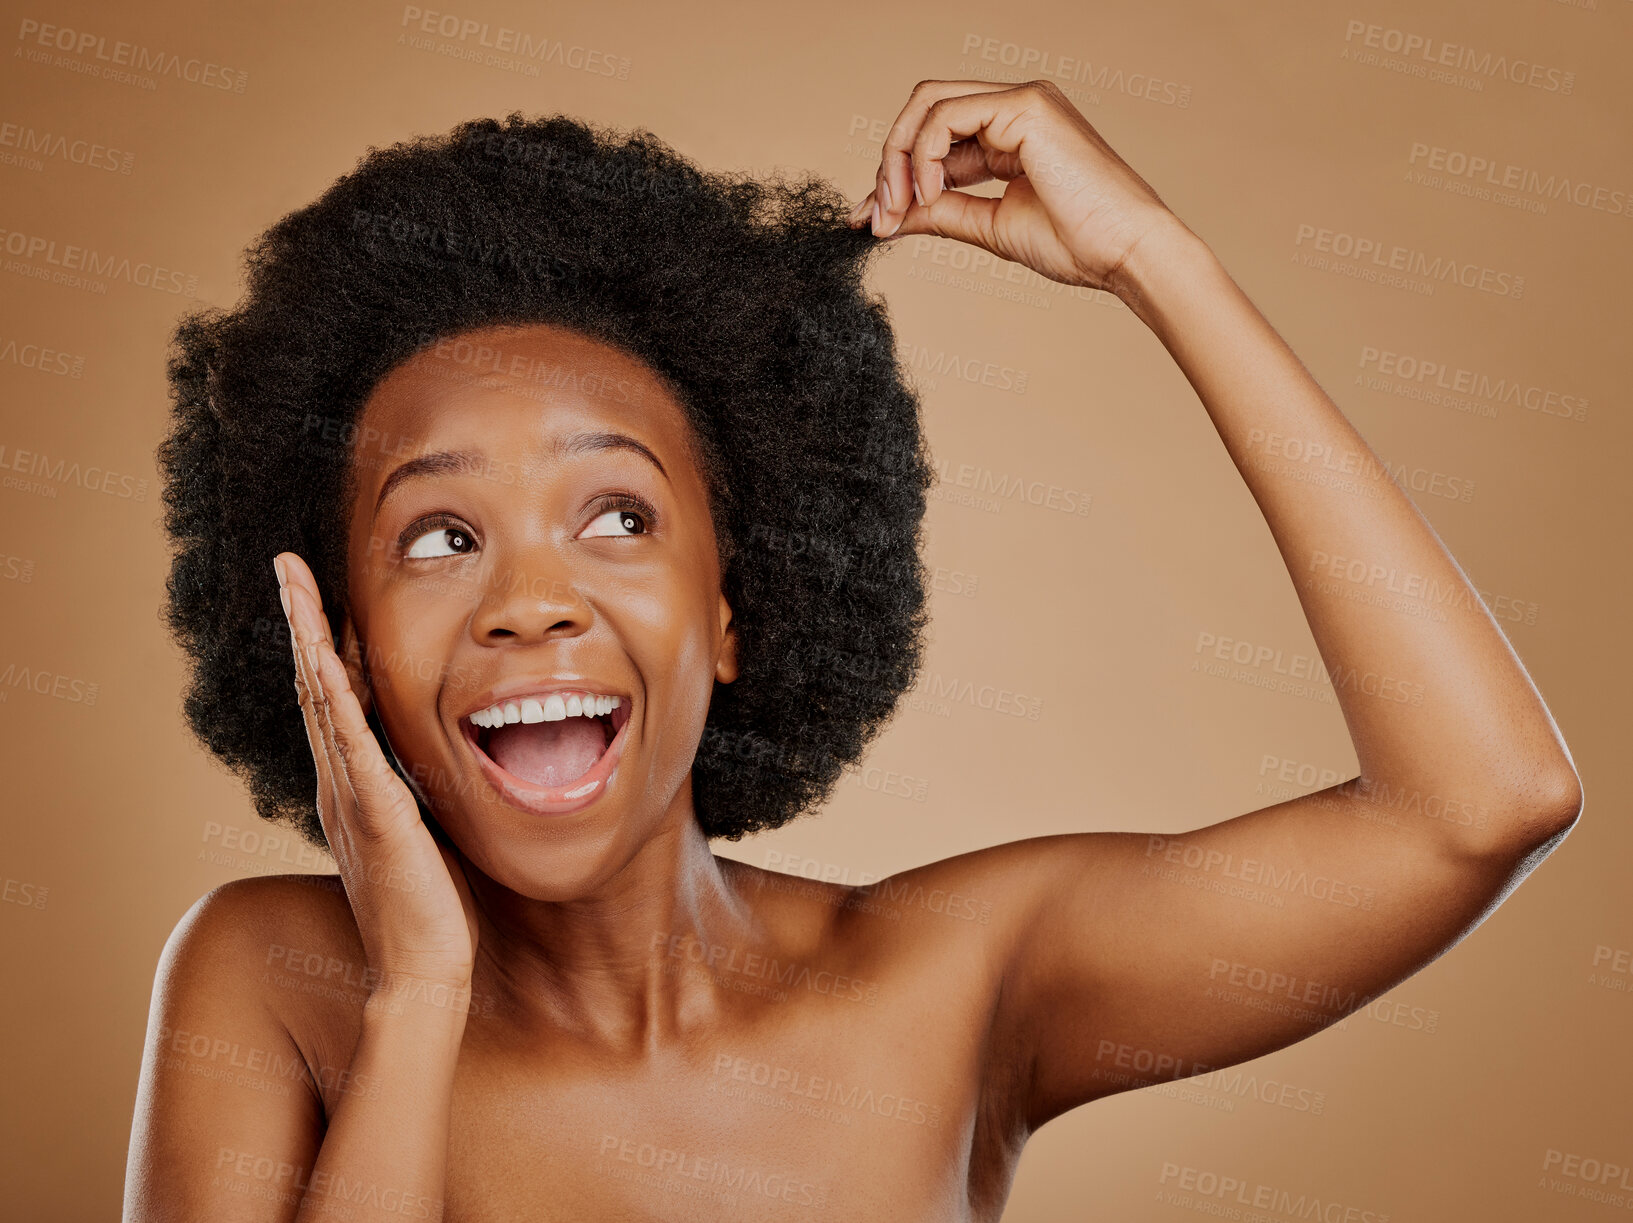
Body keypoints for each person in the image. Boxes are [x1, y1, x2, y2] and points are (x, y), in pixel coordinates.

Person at [124, 80, 1582, 1221]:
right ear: (348, 649)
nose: (530, 601)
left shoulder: (954, 983)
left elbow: (1477, 806)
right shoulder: (272, 979)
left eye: (617, 514)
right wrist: (420, 997)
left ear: (735, 608)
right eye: (439, 539)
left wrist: (1155, 260)